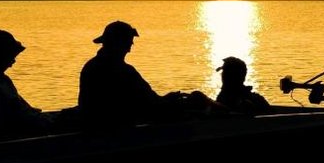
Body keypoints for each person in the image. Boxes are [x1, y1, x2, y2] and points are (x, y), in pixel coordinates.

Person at [79, 20, 222, 126]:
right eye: (129, 42)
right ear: (121, 44)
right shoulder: (123, 71)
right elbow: (150, 104)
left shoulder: (91, 66)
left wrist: (165, 99)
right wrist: (170, 101)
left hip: (97, 123)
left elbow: (147, 101)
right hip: (116, 127)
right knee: (195, 99)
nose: (131, 47)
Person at [0, 29, 49, 137]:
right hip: (12, 133)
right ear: (0, 56)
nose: (13, 62)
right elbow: (15, 116)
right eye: (11, 57)